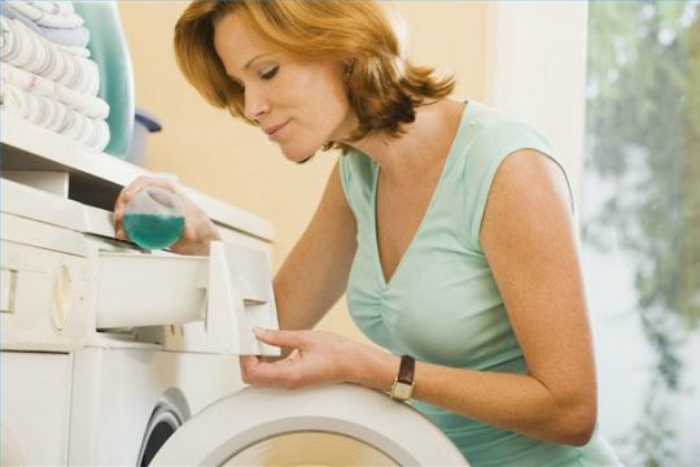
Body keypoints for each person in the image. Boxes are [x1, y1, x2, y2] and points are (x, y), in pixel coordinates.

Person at [113, 1, 622, 465]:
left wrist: (376, 369)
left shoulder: (509, 168)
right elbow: (272, 328)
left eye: (266, 72)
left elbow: (572, 411)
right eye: (241, 86)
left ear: (344, 47)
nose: (252, 106)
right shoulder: (360, 174)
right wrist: (203, 242)